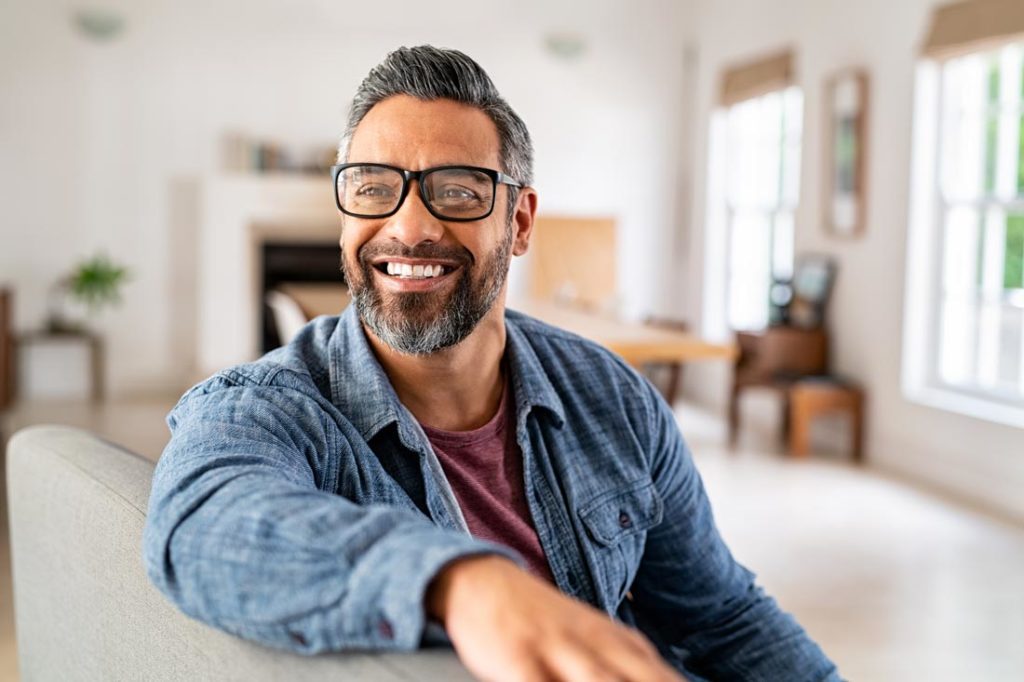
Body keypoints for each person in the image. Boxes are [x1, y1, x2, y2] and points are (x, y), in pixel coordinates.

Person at [143, 45, 840, 682]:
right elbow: (200, 524)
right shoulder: (266, 406)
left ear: (521, 222)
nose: (409, 226)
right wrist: (463, 583)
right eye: (372, 186)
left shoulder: (614, 399)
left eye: (457, 189)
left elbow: (720, 616)